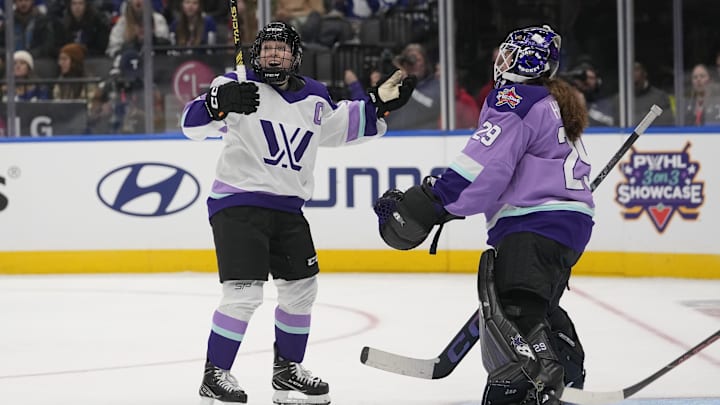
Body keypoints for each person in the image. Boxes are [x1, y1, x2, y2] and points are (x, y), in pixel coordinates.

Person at [180, 21, 415, 405]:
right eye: (268, 48)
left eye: (282, 49)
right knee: (243, 294)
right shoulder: (235, 85)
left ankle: (287, 371)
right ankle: (215, 374)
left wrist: (378, 103)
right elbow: (191, 125)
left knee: (301, 291)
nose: (274, 54)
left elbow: (342, 126)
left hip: (288, 209)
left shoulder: (314, 97)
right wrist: (216, 104)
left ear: (295, 57)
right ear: (257, 53)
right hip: (238, 204)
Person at [372, 25, 592, 405]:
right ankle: (568, 370)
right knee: (534, 306)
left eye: (507, 54)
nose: (499, 60)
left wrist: (434, 201)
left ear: (526, 61)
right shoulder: (552, 101)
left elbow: (485, 166)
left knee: (514, 312)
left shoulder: (514, 97)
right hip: (569, 225)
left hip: (532, 222)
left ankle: (535, 381)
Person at [384, 42, 441, 129]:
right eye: (409, 61)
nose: (413, 64)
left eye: (417, 60)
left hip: (426, 137)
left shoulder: (435, 85)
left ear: (425, 64)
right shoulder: (395, 87)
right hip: (393, 138)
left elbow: (431, 105)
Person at [633, 61, 673, 126]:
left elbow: (667, 121)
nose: (633, 73)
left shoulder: (660, 97)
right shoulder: (619, 100)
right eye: (630, 70)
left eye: (636, 69)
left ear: (645, 73)